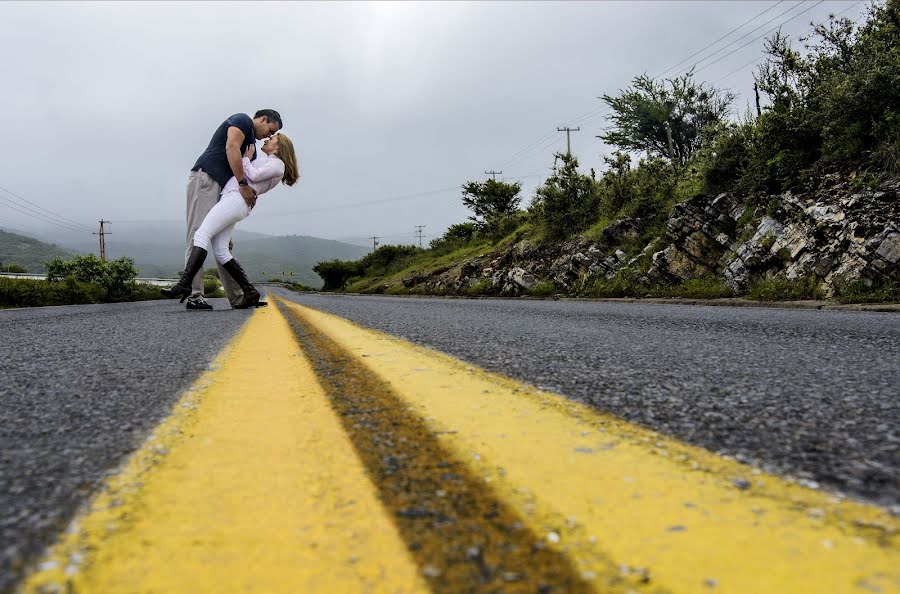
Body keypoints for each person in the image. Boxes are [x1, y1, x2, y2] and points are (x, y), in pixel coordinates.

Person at [162, 134, 300, 308]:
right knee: (221, 250)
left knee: (202, 234)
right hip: (234, 201)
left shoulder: (278, 165)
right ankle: (249, 292)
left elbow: (254, 176)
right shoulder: (271, 161)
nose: (267, 139)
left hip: (235, 200)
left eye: (272, 139)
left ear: (279, 147)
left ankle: (184, 283)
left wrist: (245, 158)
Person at [182, 110, 282, 310]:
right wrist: (243, 185)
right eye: (271, 129)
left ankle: (238, 297)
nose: (269, 136)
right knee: (198, 233)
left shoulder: (252, 145)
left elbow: (253, 172)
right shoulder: (242, 120)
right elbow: (231, 147)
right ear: (263, 119)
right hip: (207, 178)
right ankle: (194, 295)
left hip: (224, 188)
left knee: (224, 245)